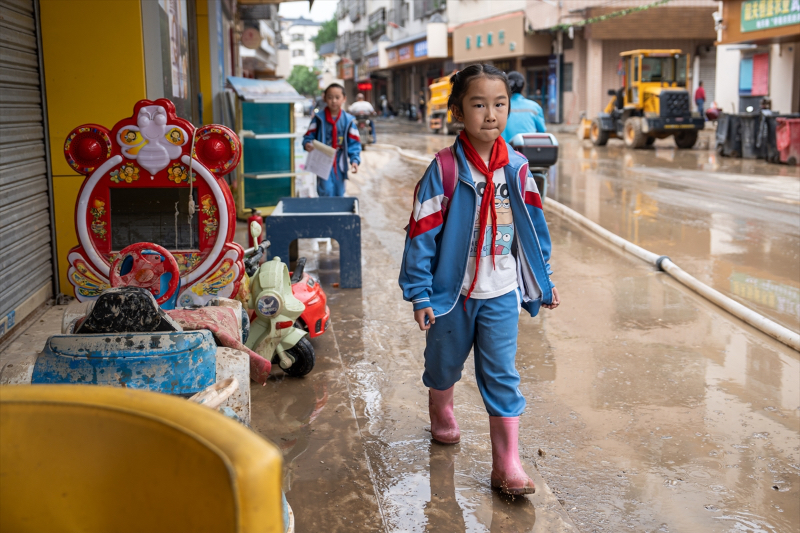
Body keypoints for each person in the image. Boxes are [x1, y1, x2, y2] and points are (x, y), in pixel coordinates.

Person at [398, 64, 560, 496]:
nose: (491, 114)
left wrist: (543, 280)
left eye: (500, 104)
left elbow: (534, 229)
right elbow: (421, 233)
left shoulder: (519, 169)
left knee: (503, 376)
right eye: (479, 104)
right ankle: (442, 408)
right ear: (457, 111)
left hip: (501, 293)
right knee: (443, 365)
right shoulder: (446, 169)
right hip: (450, 296)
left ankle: (507, 465)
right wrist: (419, 293)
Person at [303, 83, 361, 197]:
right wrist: (307, 144)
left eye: (337, 97)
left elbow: (354, 143)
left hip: (340, 162)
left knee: (340, 191)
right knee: (326, 189)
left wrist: (355, 160)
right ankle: (326, 213)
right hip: (322, 160)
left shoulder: (348, 121)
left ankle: (338, 214)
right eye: (330, 97)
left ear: (344, 99)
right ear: (324, 98)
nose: (333, 101)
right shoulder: (318, 119)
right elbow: (308, 136)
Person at [501, 71, 545, 142]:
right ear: (523, 87)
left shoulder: (500, 106)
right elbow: (542, 131)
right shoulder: (534, 107)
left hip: (505, 150)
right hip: (528, 150)